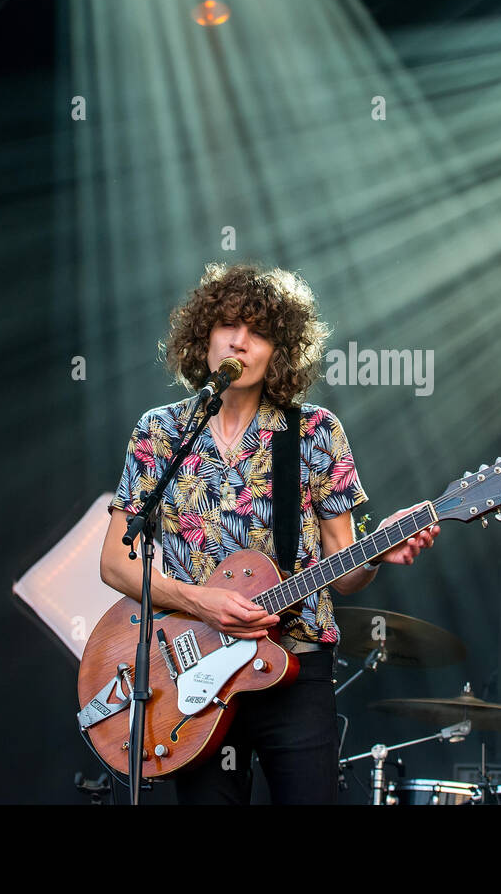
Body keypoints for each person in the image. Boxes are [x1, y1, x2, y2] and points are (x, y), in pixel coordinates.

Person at [99, 263, 437, 804]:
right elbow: (115, 563)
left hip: (294, 668)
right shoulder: (159, 432)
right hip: (197, 675)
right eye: (228, 324)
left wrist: (376, 553)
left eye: (259, 331)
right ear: (202, 337)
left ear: (278, 349)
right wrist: (200, 602)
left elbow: (344, 574)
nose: (240, 340)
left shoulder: (316, 432)